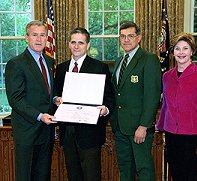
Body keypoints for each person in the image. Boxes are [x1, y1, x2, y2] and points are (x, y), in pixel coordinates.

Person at [54, 27, 115, 181]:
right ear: (68, 44)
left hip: (90, 134)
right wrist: (56, 99)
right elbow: (55, 94)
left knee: (91, 176)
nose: (76, 46)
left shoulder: (99, 67)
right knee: (73, 176)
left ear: (87, 45)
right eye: (73, 42)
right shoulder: (61, 69)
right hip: (68, 132)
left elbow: (109, 97)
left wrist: (105, 110)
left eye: (80, 43)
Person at [5, 20, 57, 181]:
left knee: (43, 175)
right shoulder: (16, 63)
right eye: (35, 35)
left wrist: (55, 99)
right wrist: (40, 115)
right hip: (27, 131)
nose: (39, 39)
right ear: (26, 37)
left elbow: (44, 91)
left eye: (43, 35)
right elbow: (15, 99)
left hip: (46, 131)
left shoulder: (48, 61)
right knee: (26, 175)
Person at [110, 21, 162, 181]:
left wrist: (144, 126)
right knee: (125, 169)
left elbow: (152, 96)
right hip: (120, 127)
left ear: (139, 38)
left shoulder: (149, 59)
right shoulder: (119, 61)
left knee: (143, 168)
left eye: (130, 36)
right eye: (123, 36)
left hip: (139, 128)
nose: (126, 40)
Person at [156, 32, 197, 181]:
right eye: (177, 49)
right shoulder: (167, 76)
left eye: (185, 48)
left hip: (191, 137)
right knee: (176, 174)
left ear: (192, 51)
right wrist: (159, 126)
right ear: (173, 52)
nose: (181, 53)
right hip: (171, 134)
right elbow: (166, 105)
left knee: (189, 176)